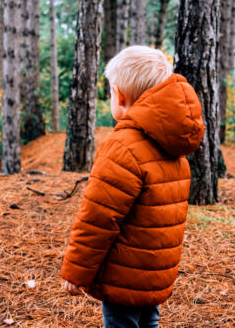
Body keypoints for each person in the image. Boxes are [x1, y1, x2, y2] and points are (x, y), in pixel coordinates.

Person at [60, 46, 205, 328]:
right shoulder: (172, 146)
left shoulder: (123, 147)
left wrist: (76, 270)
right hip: (155, 271)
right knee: (149, 322)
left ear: (120, 95)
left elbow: (99, 219)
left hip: (124, 274)